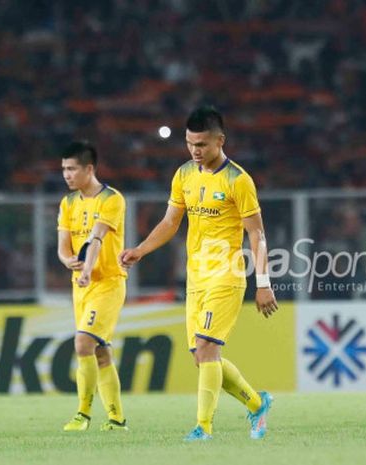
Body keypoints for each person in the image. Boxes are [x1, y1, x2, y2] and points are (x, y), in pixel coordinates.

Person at [119, 106, 278, 441]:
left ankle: (203, 427)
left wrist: (262, 283)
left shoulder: (238, 180)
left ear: (220, 140)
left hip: (227, 273)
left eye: (202, 144)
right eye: (190, 143)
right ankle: (256, 403)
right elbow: (170, 223)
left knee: (207, 346)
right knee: (201, 356)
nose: (195, 150)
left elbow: (257, 234)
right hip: (197, 276)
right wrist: (141, 249)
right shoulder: (184, 175)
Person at [57, 141, 128, 432]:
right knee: (101, 352)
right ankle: (116, 419)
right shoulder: (68, 203)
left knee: (83, 343)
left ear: (89, 169)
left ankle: (82, 415)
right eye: (63, 169)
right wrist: (68, 262)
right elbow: (62, 246)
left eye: (72, 169)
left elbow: (96, 238)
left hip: (107, 284)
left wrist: (87, 268)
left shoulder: (112, 199)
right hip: (81, 287)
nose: (66, 175)